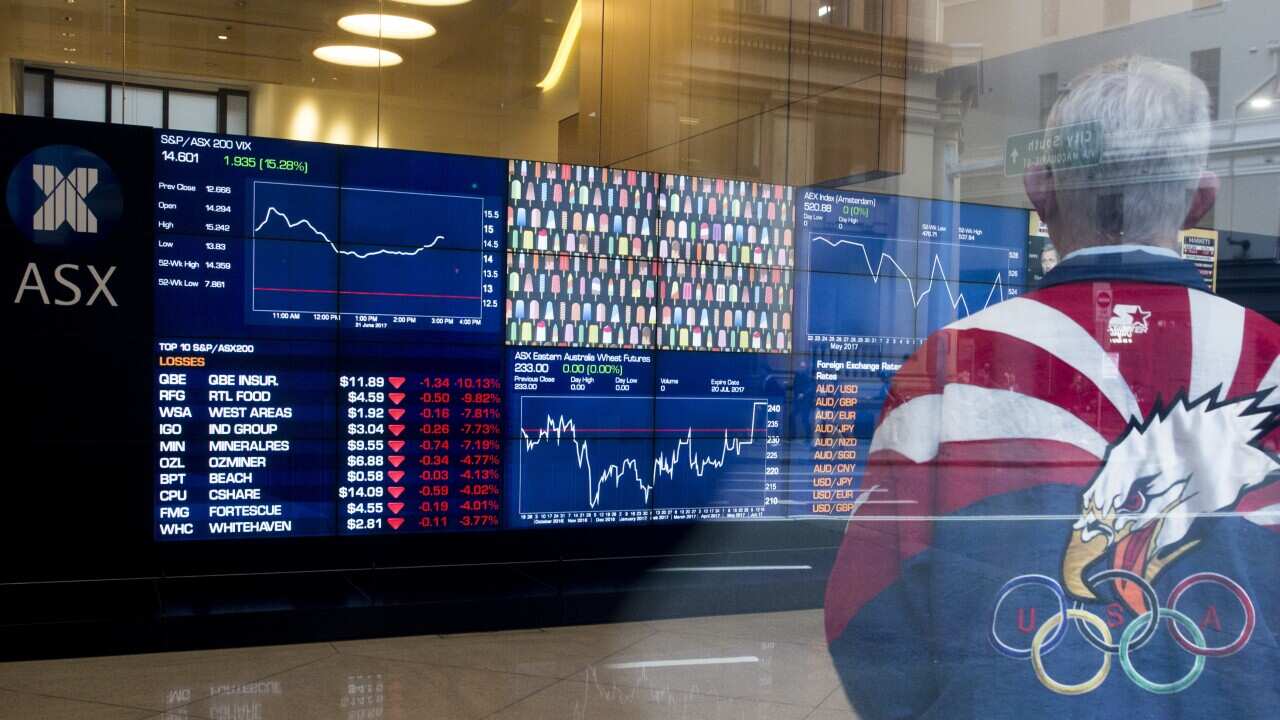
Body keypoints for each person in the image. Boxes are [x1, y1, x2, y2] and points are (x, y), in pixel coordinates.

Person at [825, 57, 1280, 718]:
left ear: (1040, 192)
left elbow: (867, 620)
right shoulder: (1272, 362)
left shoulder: (948, 369)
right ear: (1201, 198)